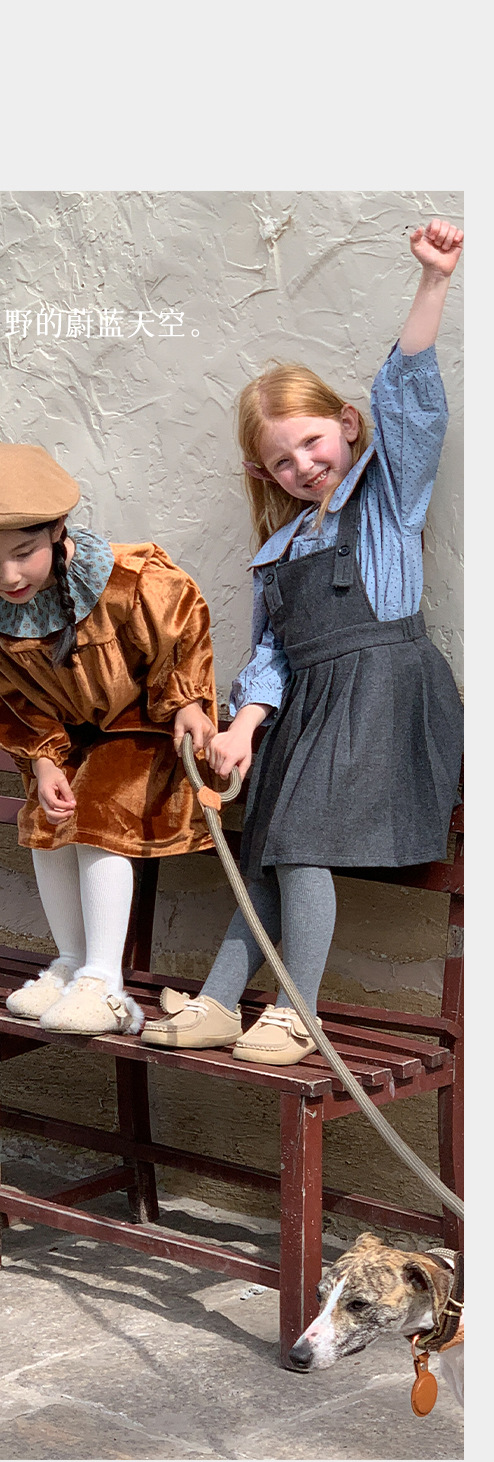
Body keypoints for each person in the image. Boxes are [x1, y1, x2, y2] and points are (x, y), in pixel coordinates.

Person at [141, 218, 464, 1063]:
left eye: (313, 442)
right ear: (264, 474)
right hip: (310, 710)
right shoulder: (277, 552)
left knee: (303, 843)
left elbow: (411, 400)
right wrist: (245, 726)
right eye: (282, 462)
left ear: (348, 424)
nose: (304, 466)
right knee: (271, 850)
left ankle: (295, 1012)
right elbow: (273, 655)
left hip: (382, 697)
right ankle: (219, 1001)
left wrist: (432, 282)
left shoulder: (388, 499)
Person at [0, 442, 219, 1038]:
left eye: (24, 553)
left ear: (58, 531)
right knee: (47, 821)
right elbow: (7, 693)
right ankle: (70, 962)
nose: (8, 576)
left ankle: (104, 982)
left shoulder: (130, 581)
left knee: (96, 816)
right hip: (67, 740)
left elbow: (182, 627)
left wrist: (188, 700)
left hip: (145, 727)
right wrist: (41, 760)